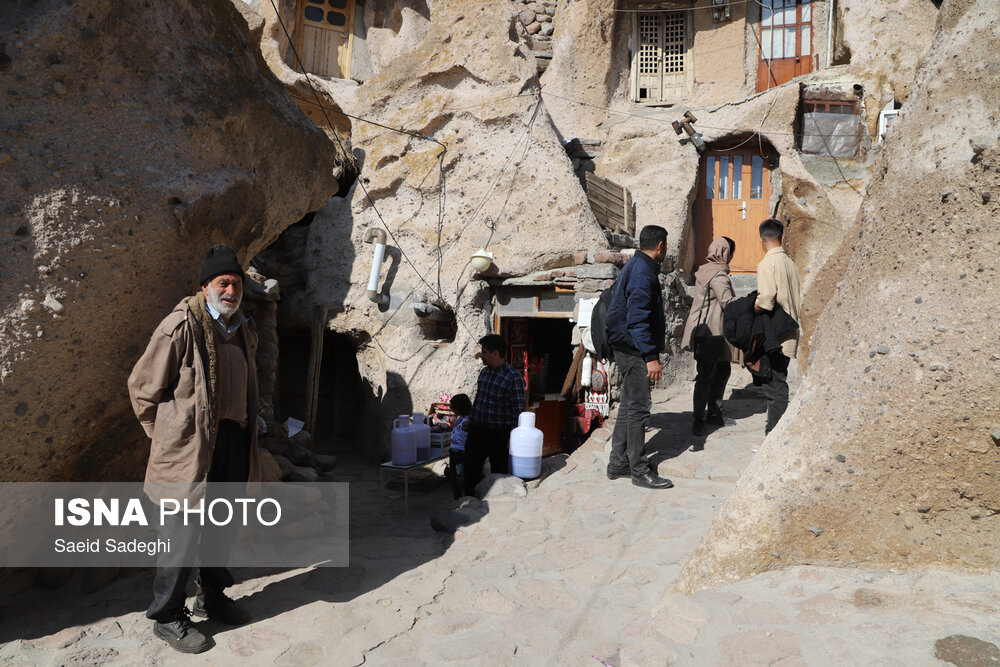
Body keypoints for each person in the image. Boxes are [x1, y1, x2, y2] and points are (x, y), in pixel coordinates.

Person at [128, 244, 260, 654]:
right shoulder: (179, 326)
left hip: (233, 443)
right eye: (223, 282)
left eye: (236, 283)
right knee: (179, 537)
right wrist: (167, 438)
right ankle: (167, 617)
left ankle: (213, 596)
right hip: (188, 450)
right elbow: (142, 389)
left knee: (223, 527)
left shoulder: (243, 329)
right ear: (205, 286)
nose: (231, 290)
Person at [604, 225, 674, 490]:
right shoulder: (643, 272)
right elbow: (637, 320)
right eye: (665, 247)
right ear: (660, 246)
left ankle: (617, 463)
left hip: (626, 347)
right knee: (639, 408)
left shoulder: (635, 265)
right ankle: (639, 470)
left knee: (629, 405)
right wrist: (650, 356)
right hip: (634, 350)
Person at [681, 237, 738, 437]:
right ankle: (702, 417)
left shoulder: (705, 270)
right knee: (708, 375)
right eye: (730, 253)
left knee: (719, 371)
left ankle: (711, 413)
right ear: (725, 253)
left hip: (703, 331)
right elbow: (727, 302)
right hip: (712, 332)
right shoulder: (718, 275)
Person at [754, 219, 801, 434]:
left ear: (762, 239)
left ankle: (773, 438)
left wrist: (749, 310)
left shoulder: (766, 264)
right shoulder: (790, 263)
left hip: (775, 336)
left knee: (776, 390)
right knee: (778, 383)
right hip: (789, 333)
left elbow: (766, 301)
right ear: (781, 236)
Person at [465, 334, 526, 497]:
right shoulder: (484, 373)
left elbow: (518, 412)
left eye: (484, 352)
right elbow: (478, 399)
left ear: (496, 353)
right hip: (477, 431)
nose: (481, 356)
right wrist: (470, 420)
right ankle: (469, 503)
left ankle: (497, 505)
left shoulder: (514, 378)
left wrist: (512, 438)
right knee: (470, 469)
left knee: (499, 473)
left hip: (499, 435)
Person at [447, 393, 472, 500]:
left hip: (461, 455)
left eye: (453, 406)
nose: (451, 409)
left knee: (461, 481)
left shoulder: (468, 421)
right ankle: (458, 501)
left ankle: (464, 501)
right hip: (454, 454)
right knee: (455, 481)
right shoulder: (460, 418)